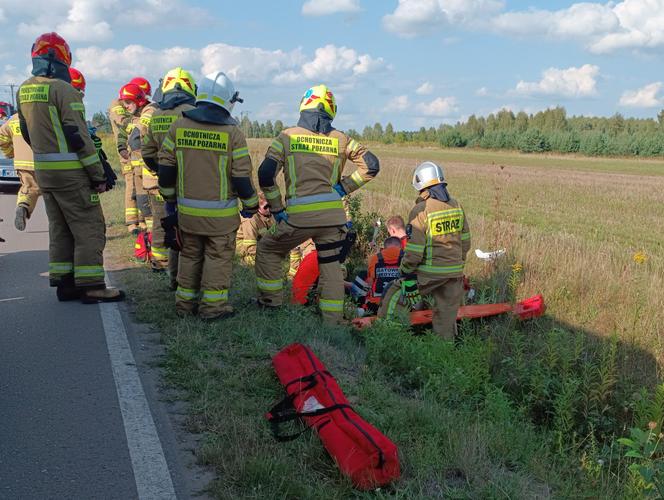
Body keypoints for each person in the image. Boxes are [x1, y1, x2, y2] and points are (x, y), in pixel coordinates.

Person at [255, 84, 380, 324]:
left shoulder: (286, 136)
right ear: (331, 110)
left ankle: (270, 304)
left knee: (268, 249)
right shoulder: (342, 139)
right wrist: (344, 187)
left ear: (304, 106)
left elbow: (265, 173)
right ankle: (332, 321)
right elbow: (371, 165)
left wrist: (277, 207)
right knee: (331, 265)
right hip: (333, 219)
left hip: (298, 217)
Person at [17, 32, 123, 302]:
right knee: (89, 228)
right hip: (71, 175)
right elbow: (79, 136)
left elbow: (26, 132)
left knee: (60, 229)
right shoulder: (65, 90)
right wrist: (97, 175)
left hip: (45, 173)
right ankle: (92, 286)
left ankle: (65, 284)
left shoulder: (24, 89)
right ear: (62, 59)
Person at [158, 71, 258, 320]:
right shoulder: (233, 134)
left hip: (188, 215)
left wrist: (170, 201)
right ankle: (213, 309)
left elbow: (166, 169)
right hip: (221, 219)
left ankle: (184, 306)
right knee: (217, 259)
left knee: (190, 255)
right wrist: (251, 204)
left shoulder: (179, 126)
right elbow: (242, 178)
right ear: (227, 101)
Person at [380, 161, 470, 340]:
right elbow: (466, 242)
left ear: (422, 187)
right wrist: (456, 264)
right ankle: (443, 353)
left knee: (395, 295)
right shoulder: (456, 205)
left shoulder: (421, 209)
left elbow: (414, 251)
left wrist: (405, 273)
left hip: (429, 273)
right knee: (445, 320)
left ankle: (387, 337)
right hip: (454, 273)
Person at [142, 68, 196, 276]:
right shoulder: (192, 112)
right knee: (191, 232)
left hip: (164, 182)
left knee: (167, 224)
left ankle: (170, 273)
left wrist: (160, 170)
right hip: (190, 183)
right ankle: (186, 276)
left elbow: (147, 152)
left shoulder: (156, 115)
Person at [117, 82, 156, 235]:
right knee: (141, 202)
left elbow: (136, 138)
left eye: (128, 102)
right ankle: (147, 235)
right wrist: (122, 148)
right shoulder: (133, 118)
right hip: (138, 169)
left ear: (138, 99)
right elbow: (123, 133)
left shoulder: (149, 110)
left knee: (151, 205)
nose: (125, 106)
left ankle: (153, 237)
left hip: (149, 169)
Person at [108, 84, 138, 232]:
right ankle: (131, 221)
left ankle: (140, 219)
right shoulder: (117, 105)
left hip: (134, 150)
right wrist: (137, 122)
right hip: (125, 151)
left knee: (138, 183)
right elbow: (121, 120)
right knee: (131, 182)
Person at [0, 112, 37, 231]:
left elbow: (1, 137)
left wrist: (10, 153)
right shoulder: (43, 114)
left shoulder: (14, 119)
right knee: (52, 192)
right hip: (45, 162)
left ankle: (23, 206)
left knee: (29, 188)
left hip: (22, 163)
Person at [364, 236, 403, 313]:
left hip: (377, 305)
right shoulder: (407, 257)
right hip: (401, 303)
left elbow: (370, 282)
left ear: (385, 247)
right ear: (400, 246)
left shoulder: (375, 258)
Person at [236, 192, 273, 266]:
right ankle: (243, 261)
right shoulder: (250, 218)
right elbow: (250, 244)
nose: (270, 209)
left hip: (258, 242)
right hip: (241, 245)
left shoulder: (268, 215)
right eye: (267, 206)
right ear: (259, 205)